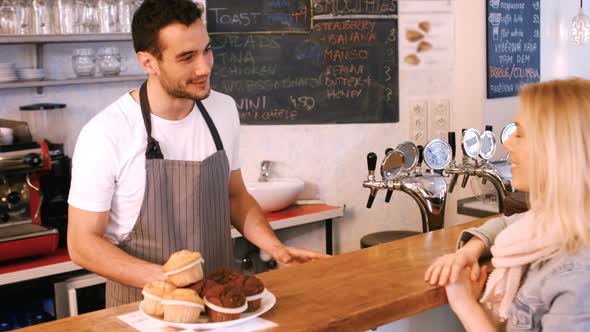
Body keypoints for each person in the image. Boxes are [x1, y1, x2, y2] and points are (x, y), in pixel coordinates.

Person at [67, 0, 329, 308]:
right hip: (141, 309)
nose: (204, 67)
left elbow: (235, 197)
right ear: (148, 62)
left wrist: (275, 247)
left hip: (219, 305)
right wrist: (169, 279)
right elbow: (82, 244)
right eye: (186, 57)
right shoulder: (106, 133)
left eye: (206, 50)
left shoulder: (223, 109)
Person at [424, 78, 590, 331]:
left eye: (520, 134)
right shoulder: (556, 223)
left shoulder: (578, 275)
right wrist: (467, 252)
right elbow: (508, 224)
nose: (508, 143)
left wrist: (465, 305)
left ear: (561, 151)